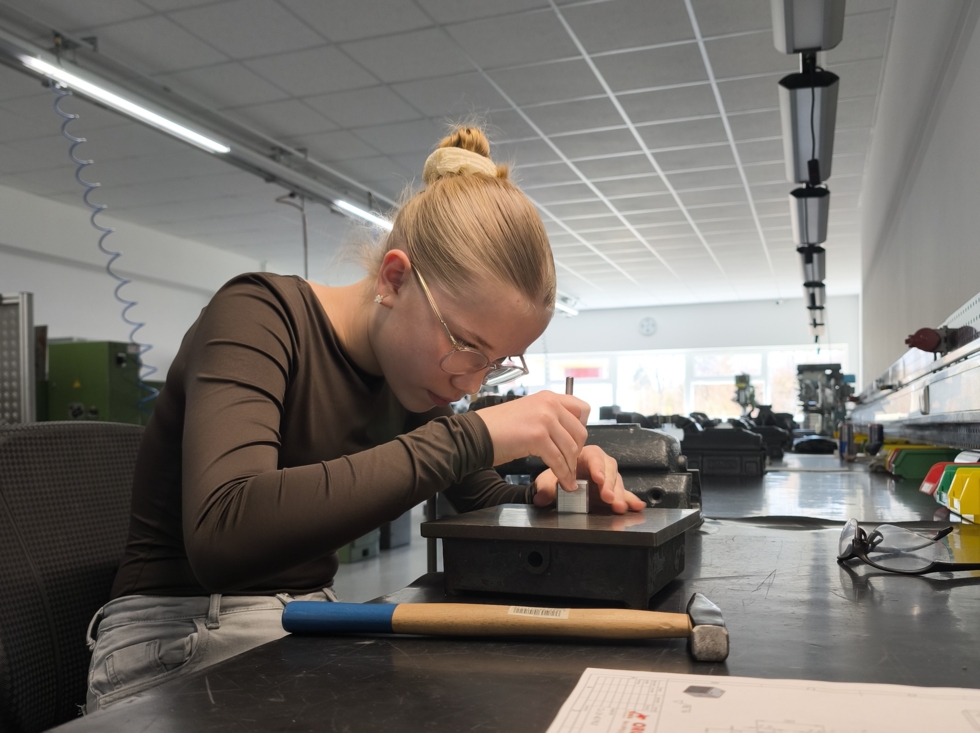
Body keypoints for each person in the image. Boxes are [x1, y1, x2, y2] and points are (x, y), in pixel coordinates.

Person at [84, 126, 645, 712]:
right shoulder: (258, 314)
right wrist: (471, 435)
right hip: (179, 634)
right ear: (393, 279)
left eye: (497, 363)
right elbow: (222, 535)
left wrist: (556, 494)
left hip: (306, 620)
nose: (472, 383)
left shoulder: (415, 381)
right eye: (466, 347)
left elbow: (483, 502)